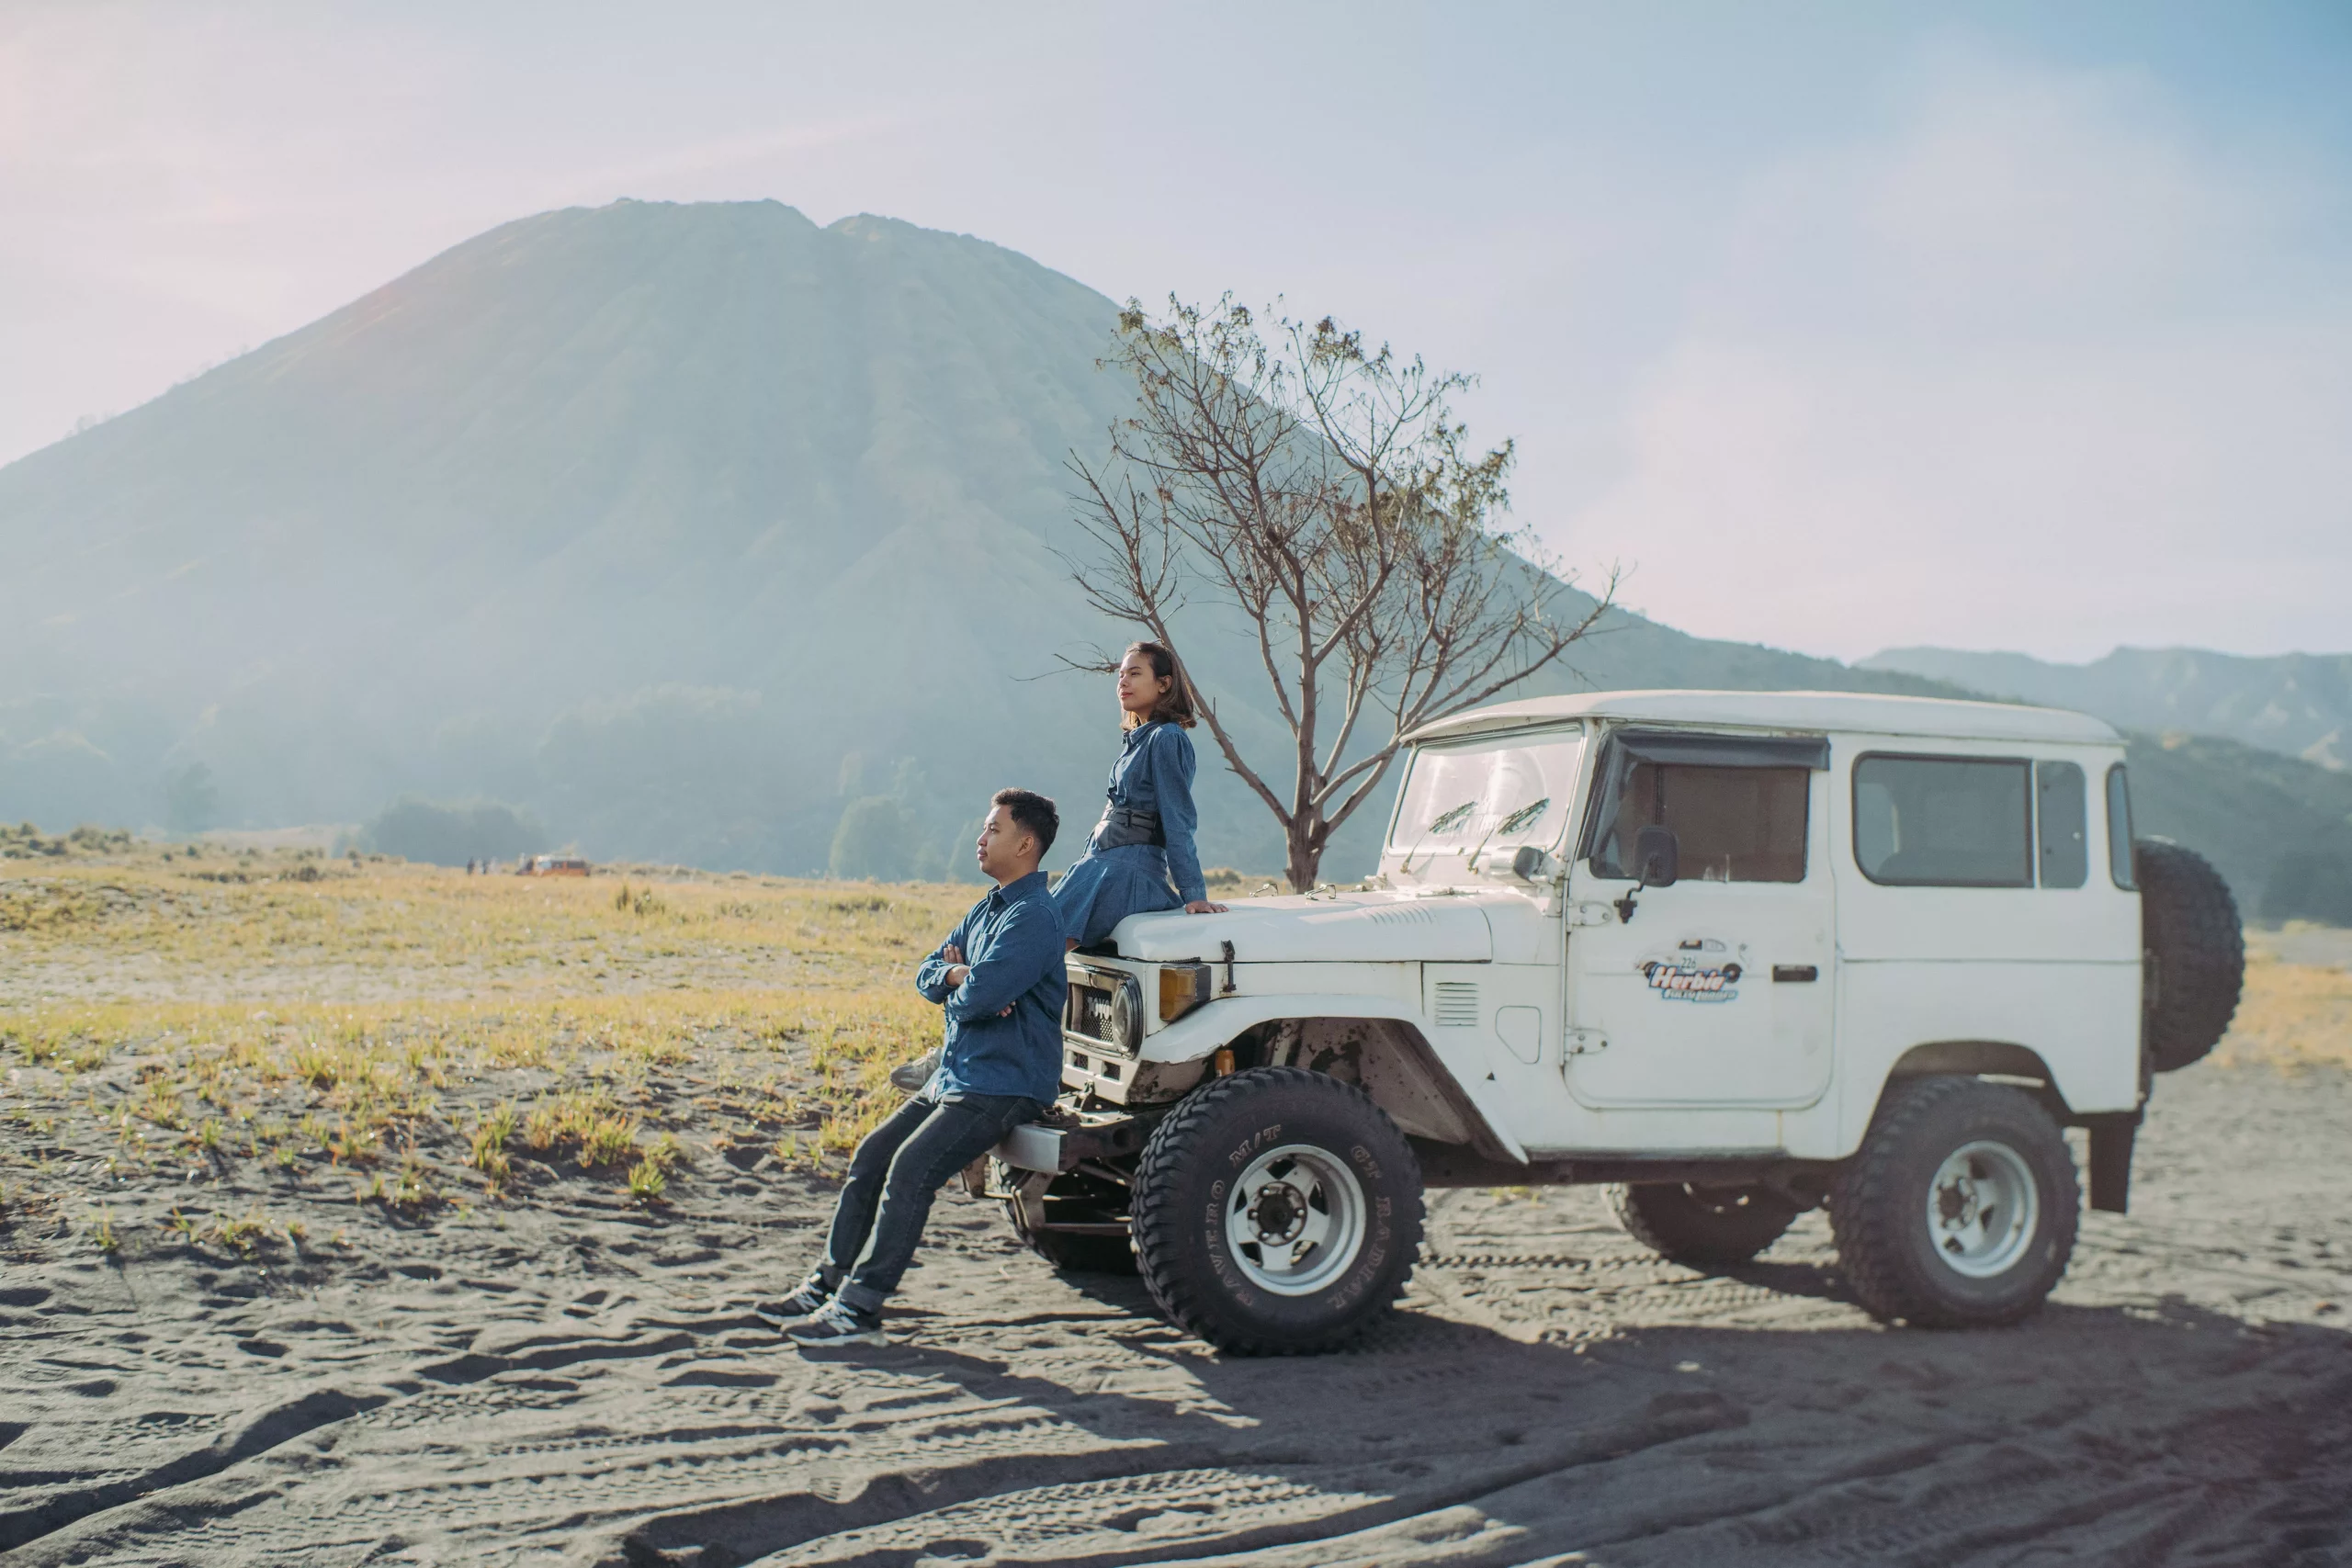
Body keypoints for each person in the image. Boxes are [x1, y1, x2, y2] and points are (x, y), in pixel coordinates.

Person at [761, 787, 1068, 1348]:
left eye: (993, 829)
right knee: (871, 1156)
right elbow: (930, 974)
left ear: (1026, 844)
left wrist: (970, 988)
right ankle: (826, 1283)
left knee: (910, 1169)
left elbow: (981, 999)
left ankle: (859, 1308)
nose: (980, 838)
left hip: (1004, 1082)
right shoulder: (987, 908)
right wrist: (956, 976)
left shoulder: (1034, 918)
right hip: (957, 1074)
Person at [1050, 640, 1226, 952]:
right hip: (1099, 862)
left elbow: (1178, 818)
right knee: (1030, 939)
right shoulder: (1137, 741)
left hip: (1126, 871)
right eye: (1121, 675)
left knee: (1039, 948)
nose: (1123, 682)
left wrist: (1194, 893)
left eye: (1134, 673)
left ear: (1163, 684)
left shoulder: (1167, 738)